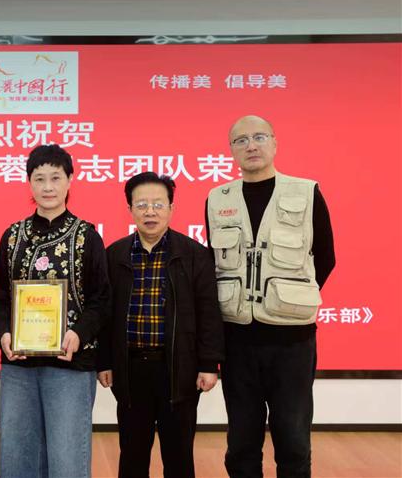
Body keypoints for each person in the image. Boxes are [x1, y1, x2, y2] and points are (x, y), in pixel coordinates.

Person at [205, 115, 336, 478]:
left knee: (293, 439)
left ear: (275, 143)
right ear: (231, 150)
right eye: (241, 140)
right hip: (237, 340)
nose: (251, 145)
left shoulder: (306, 192)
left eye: (259, 137)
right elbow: (214, 263)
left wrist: (287, 299)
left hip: (292, 341)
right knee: (241, 442)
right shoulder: (218, 199)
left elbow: (326, 257)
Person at [0, 144, 111, 478]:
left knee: (67, 460)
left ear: (70, 180)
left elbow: (102, 299)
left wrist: (78, 334)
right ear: (29, 183)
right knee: (17, 457)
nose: (47, 187)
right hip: (19, 364)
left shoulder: (87, 236)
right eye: (39, 178)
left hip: (70, 363)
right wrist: (5, 332)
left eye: (55, 178)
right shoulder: (13, 236)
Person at [98, 172, 225, 478]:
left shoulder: (194, 254)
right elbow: (104, 314)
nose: (150, 212)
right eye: (141, 205)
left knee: (178, 456)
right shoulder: (114, 255)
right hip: (130, 370)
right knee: (132, 454)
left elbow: (209, 312)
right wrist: (104, 361)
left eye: (158, 204)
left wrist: (209, 364)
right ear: (130, 209)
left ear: (171, 208)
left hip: (178, 369)